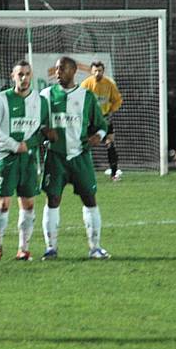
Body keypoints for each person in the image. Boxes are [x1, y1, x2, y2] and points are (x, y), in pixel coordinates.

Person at [0, 59, 55, 261]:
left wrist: (30, 143)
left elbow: (45, 130)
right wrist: (14, 145)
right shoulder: (0, 99)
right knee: (3, 204)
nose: (23, 78)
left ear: (31, 76)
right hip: (4, 158)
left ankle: (23, 249)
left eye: (27, 74)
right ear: (12, 76)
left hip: (29, 160)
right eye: (20, 74)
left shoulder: (40, 102)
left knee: (28, 204)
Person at [40, 56, 110, 260]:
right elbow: (38, 121)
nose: (57, 72)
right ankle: (50, 248)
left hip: (80, 156)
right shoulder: (46, 95)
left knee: (89, 199)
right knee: (52, 199)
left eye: (61, 69)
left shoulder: (87, 97)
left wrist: (99, 136)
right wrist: (45, 130)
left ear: (73, 71)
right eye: (56, 69)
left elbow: (101, 125)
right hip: (55, 157)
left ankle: (95, 247)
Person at [80, 61, 123, 181]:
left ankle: (114, 174)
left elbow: (117, 100)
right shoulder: (86, 84)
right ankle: (82, 173)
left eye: (100, 71)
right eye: (95, 71)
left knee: (110, 145)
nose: (97, 73)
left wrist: (111, 111)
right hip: (90, 120)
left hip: (105, 119)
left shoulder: (109, 83)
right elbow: (79, 101)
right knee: (84, 145)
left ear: (103, 71)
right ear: (91, 71)